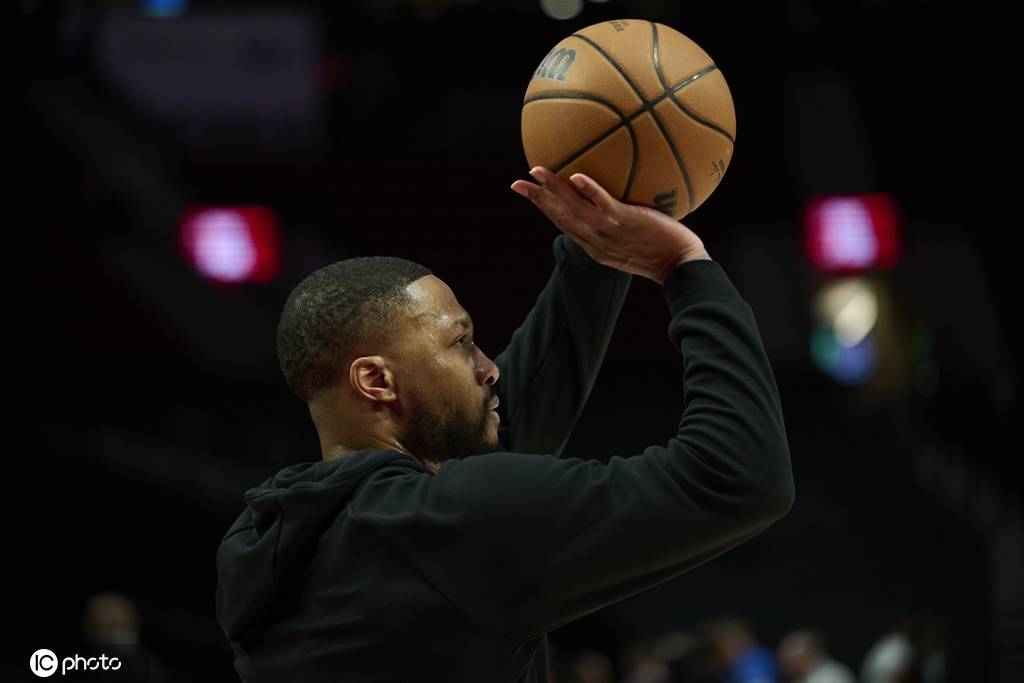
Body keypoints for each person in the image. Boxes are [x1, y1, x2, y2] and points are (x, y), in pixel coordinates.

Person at [215, 167, 795, 682]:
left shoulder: (265, 539)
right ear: (376, 380)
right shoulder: (449, 527)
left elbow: (498, 429)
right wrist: (684, 266)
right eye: (460, 342)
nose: (488, 366)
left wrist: (595, 246)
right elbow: (738, 475)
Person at [777, 629, 855, 683]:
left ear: (809, 652)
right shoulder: (802, 677)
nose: (785, 655)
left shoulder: (832, 675)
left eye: (793, 646)